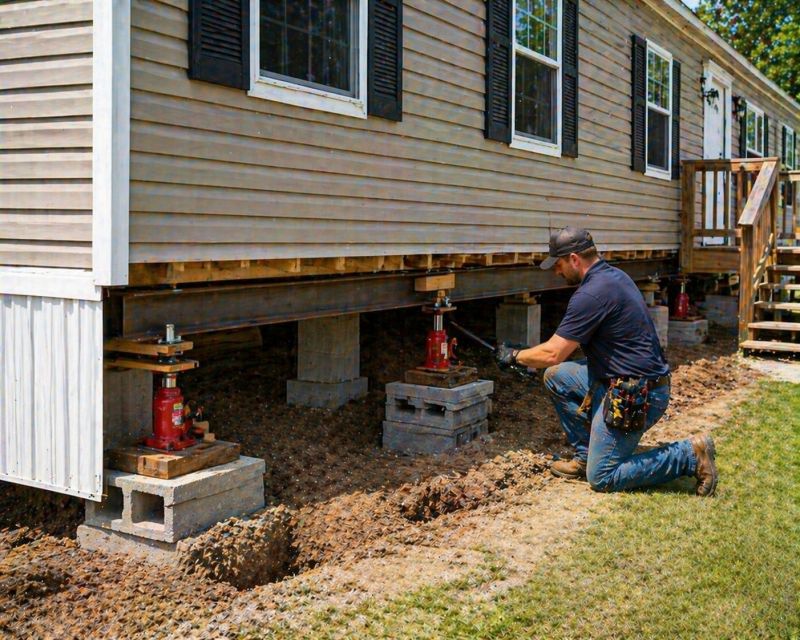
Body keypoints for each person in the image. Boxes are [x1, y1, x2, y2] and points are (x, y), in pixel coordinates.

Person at [495, 226, 718, 496]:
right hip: (624, 380)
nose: (557, 271)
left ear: (575, 259)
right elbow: (555, 362)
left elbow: (553, 352)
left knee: (603, 477)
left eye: (559, 264)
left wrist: (514, 356)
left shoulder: (591, 295)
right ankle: (585, 454)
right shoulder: (613, 277)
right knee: (558, 376)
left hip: (639, 394)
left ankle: (689, 455)